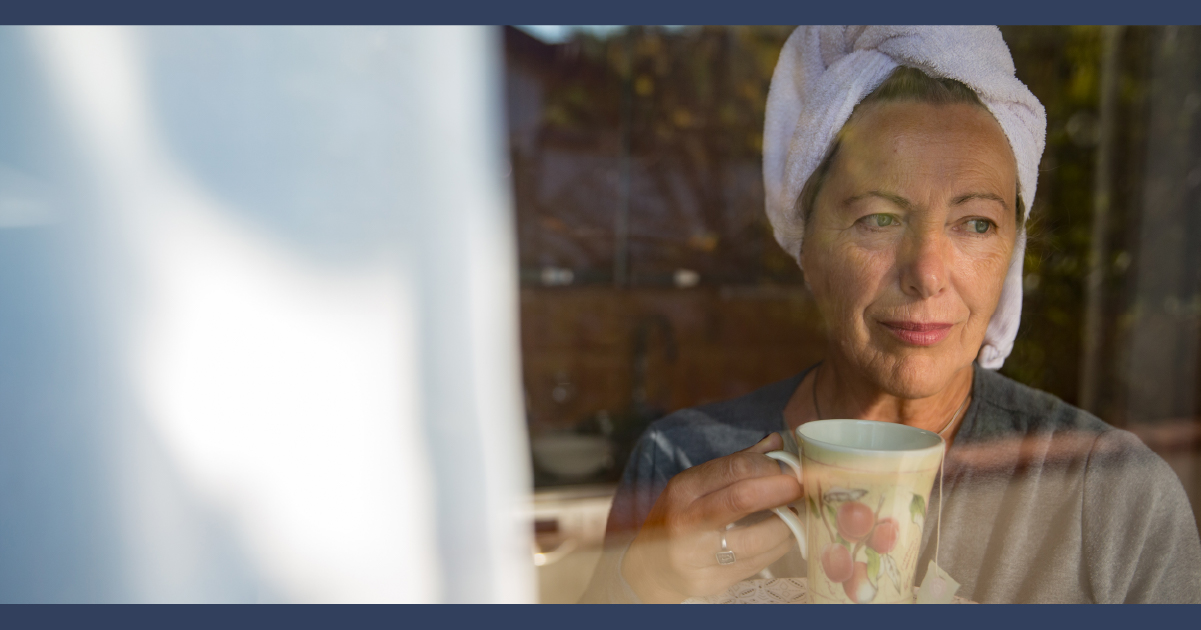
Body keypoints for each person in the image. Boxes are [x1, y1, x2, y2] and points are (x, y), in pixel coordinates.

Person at [579, 26, 1201, 604]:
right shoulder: (681, 460)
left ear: (1010, 254)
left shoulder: (1117, 499)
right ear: (807, 243)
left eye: (976, 223)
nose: (926, 272)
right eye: (879, 218)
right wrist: (642, 586)